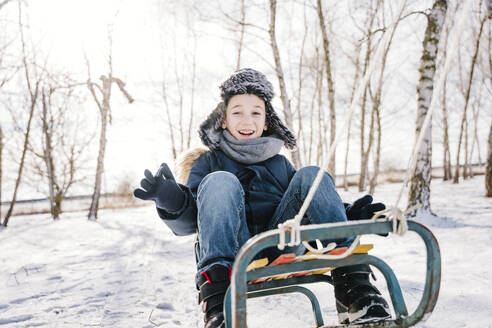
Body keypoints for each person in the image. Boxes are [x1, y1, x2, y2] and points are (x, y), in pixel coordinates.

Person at [134, 68, 390, 327]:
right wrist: (170, 199)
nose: (247, 120)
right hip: (231, 250)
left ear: (266, 121)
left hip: (281, 242)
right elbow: (194, 222)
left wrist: (350, 215)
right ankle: (219, 307)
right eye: (237, 112)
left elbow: (306, 204)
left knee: (312, 175)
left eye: (256, 112)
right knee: (220, 180)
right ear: (223, 120)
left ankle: (356, 292)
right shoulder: (208, 162)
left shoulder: (279, 163)